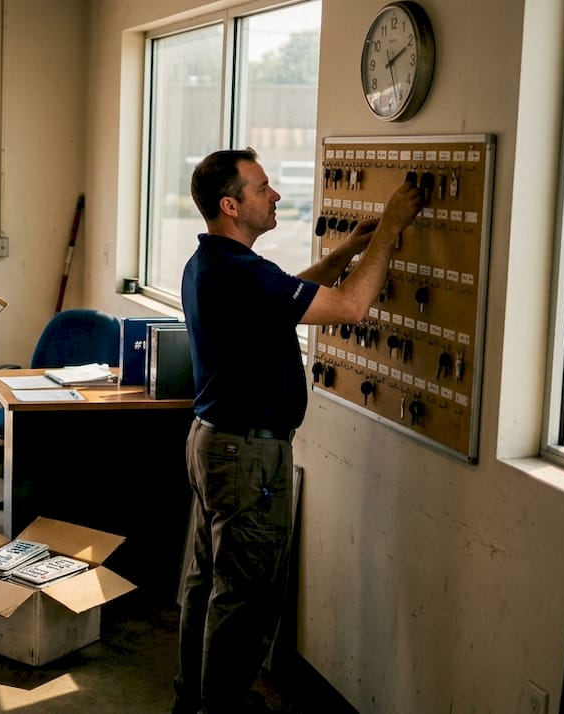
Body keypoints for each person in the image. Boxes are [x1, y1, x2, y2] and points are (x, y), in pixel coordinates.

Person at [173, 148, 422, 713]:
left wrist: (350, 248)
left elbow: (291, 298)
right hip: (246, 455)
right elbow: (352, 308)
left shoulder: (211, 263)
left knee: (204, 585)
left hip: (213, 441)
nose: (276, 196)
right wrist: (388, 229)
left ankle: (193, 704)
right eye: (263, 189)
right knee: (245, 599)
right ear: (231, 206)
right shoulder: (240, 272)